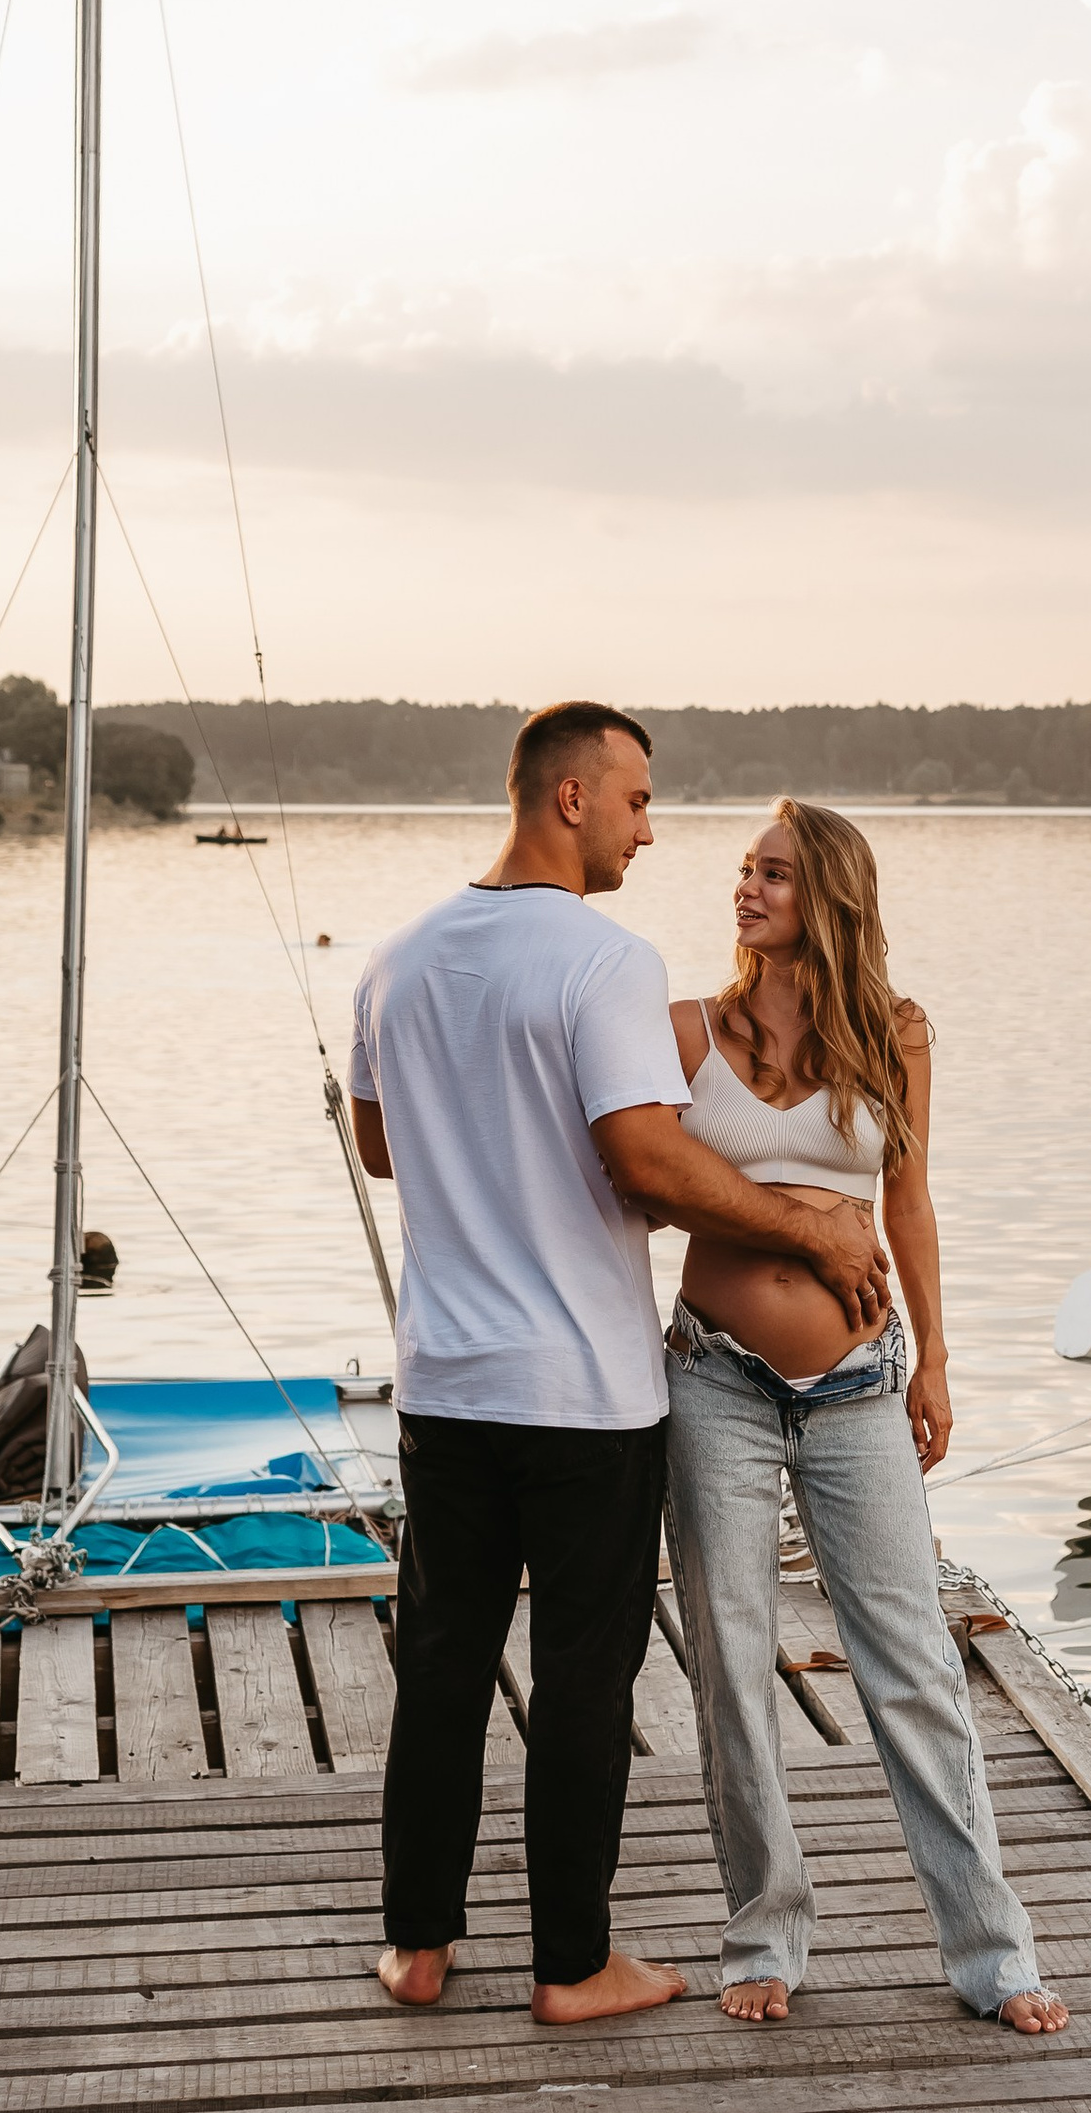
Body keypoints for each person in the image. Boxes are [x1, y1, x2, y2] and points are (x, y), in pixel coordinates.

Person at [348, 703, 890, 2026]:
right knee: (584, 1682)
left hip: (444, 1383)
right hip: (583, 1390)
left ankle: (419, 1946)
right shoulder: (602, 965)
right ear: (572, 797)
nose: (651, 831)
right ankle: (572, 1965)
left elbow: (379, 1144)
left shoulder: (397, 960)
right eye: (639, 802)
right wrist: (807, 1220)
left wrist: (494, 1156)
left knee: (446, 1666)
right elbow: (645, 1160)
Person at [662, 797, 1066, 2034]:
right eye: (741, 869)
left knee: (914, 1666)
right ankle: (762, 1935)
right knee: (731, 1664)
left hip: (857, 1385)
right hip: (714, 1376)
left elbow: (910, 1200)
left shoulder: (896, 1033)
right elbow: (649, 1184)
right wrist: (784, 1219)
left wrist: (935, 1358)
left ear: (828, 894)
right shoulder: (682, 1029)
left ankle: (991, 1954)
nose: (746, 888)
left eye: (773, 873)